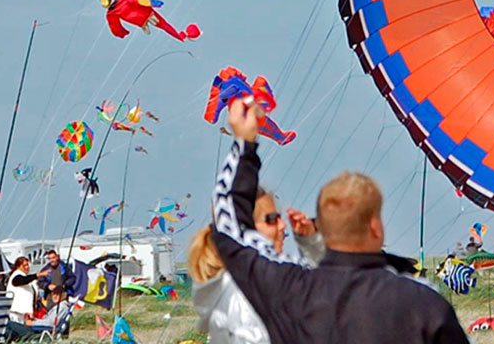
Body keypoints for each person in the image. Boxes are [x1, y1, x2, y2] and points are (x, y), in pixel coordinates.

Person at [211, 100, 467, 343]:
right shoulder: (422, 304)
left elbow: (230, 228)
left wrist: (245, 144)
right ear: (375, 229)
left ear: (324, 229)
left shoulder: (290, 289)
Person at [191, 185, 323, 344]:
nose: (283, 226)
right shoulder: (243, 298)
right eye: (272, 220)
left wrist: (311, 242)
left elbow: (323, 292)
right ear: (244, 230)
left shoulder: (249, 284)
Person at [6, 289, 70, 341]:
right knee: (9, 331)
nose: (54, 296)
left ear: (63, 296)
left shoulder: (61, 307)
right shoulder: (60, 306)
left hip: (39, 334)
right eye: (53, 294)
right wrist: (35, 319)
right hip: (40, 330)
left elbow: (50, 323)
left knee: (9, 324)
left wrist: (33, 323)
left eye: (57, 294)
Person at [9, 257, 47, 324]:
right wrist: (37, 275)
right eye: (24, 265)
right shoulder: (16, 275)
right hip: (17, 313)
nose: (27, 267)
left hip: (27, 313)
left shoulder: (27, 277)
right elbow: (21, 280)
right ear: (18, 266)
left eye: (27, 265)